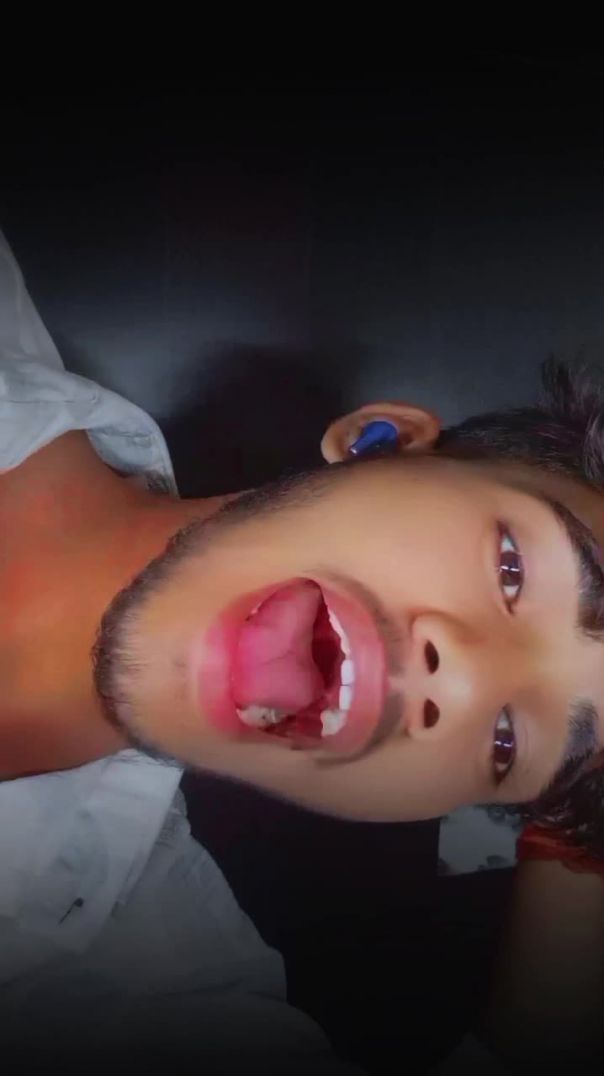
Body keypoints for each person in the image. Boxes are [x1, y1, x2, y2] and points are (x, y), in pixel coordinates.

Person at [1, 225, 603, 1067]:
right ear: (379, 441)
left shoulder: (125, 979)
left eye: (508, 743)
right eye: (513, 567)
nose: (463, 683)